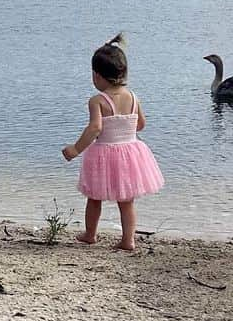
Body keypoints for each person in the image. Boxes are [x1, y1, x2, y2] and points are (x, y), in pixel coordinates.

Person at [62, 41, 164, 251]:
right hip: (130, 153)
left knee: (94, 197)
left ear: (97, 75)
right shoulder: (134, 97)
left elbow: (95, 128)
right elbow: (141, 124)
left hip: (104, 154)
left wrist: (75, 149)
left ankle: (90, 234)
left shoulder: (98, 101)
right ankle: (128, 240)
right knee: (126, 201)